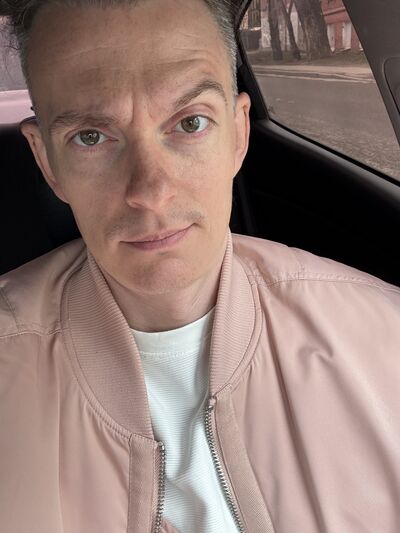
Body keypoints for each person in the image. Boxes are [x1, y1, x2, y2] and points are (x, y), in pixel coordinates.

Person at [0, 0, 399, 531]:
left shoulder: (385, 341)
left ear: (239, 133)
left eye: (190, 122)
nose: (150, 191)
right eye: (91, 137)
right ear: (46, 161)